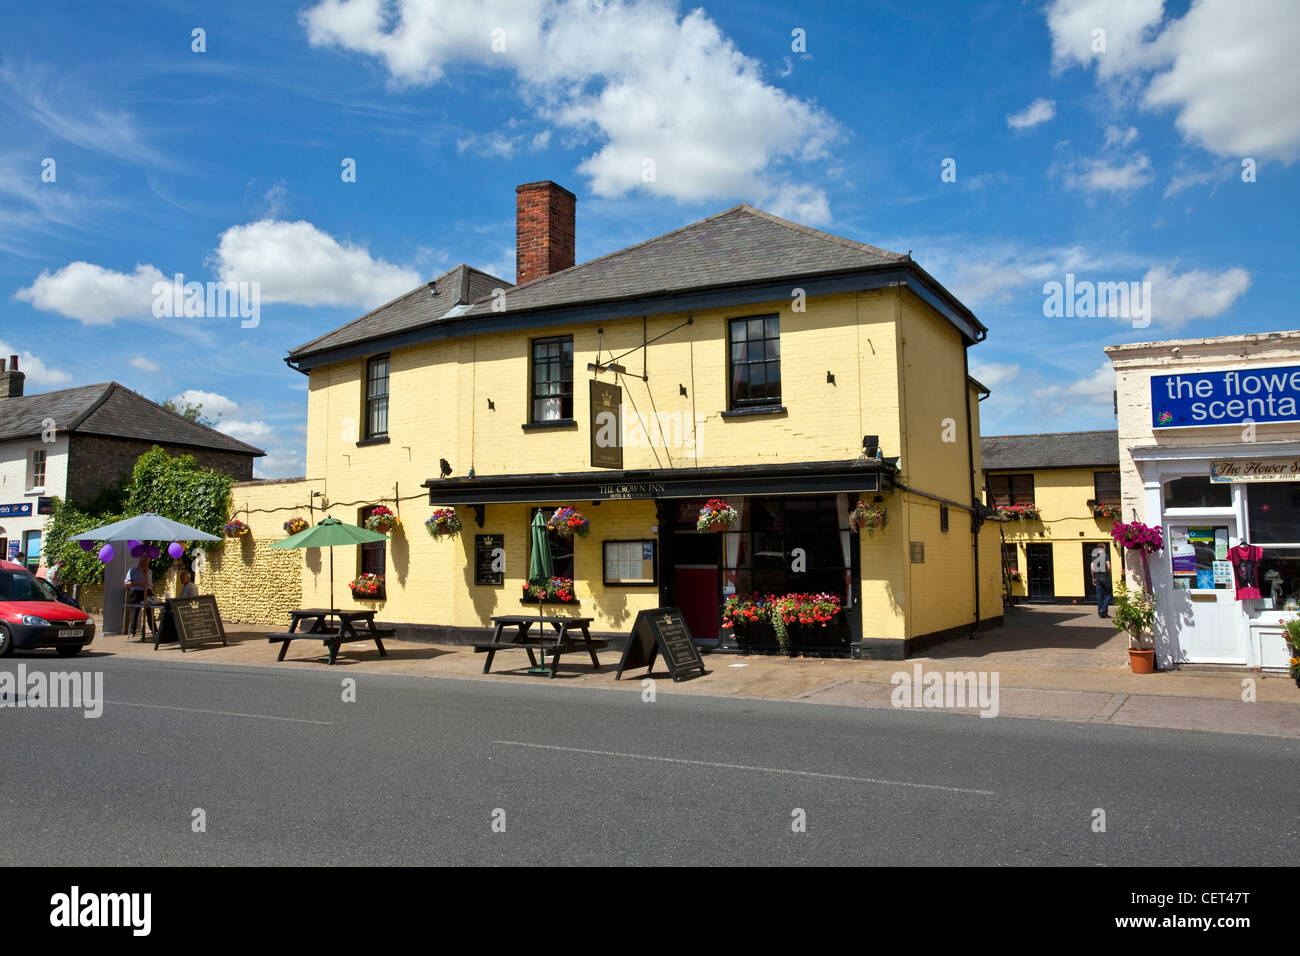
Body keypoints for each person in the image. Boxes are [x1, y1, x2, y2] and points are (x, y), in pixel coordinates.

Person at [125, 555, 155, 637]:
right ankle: (132, 631)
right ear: (141, 561)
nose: (146, 563)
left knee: (150, 611)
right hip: (137, 591)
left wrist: (150, 590)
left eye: (147, 562)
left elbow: (150, 584)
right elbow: (126, 583)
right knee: (135, 611)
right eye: (145, 561)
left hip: (147, 591)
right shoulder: (133, 570)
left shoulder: (149, 571)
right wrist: (137, 583)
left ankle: (154, 630)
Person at [1091, 544, 1114, 618]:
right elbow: (1109, 566)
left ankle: (1102, 614)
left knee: (1099, 596)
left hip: (1097, 577)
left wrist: (1093, 578)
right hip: (1105, 577)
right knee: (1109, 594)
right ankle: (1103, 609)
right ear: (1103, 548)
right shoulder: (1106, 555)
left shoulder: (1094, 555)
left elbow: (1092, 568)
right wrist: (1108, 574)